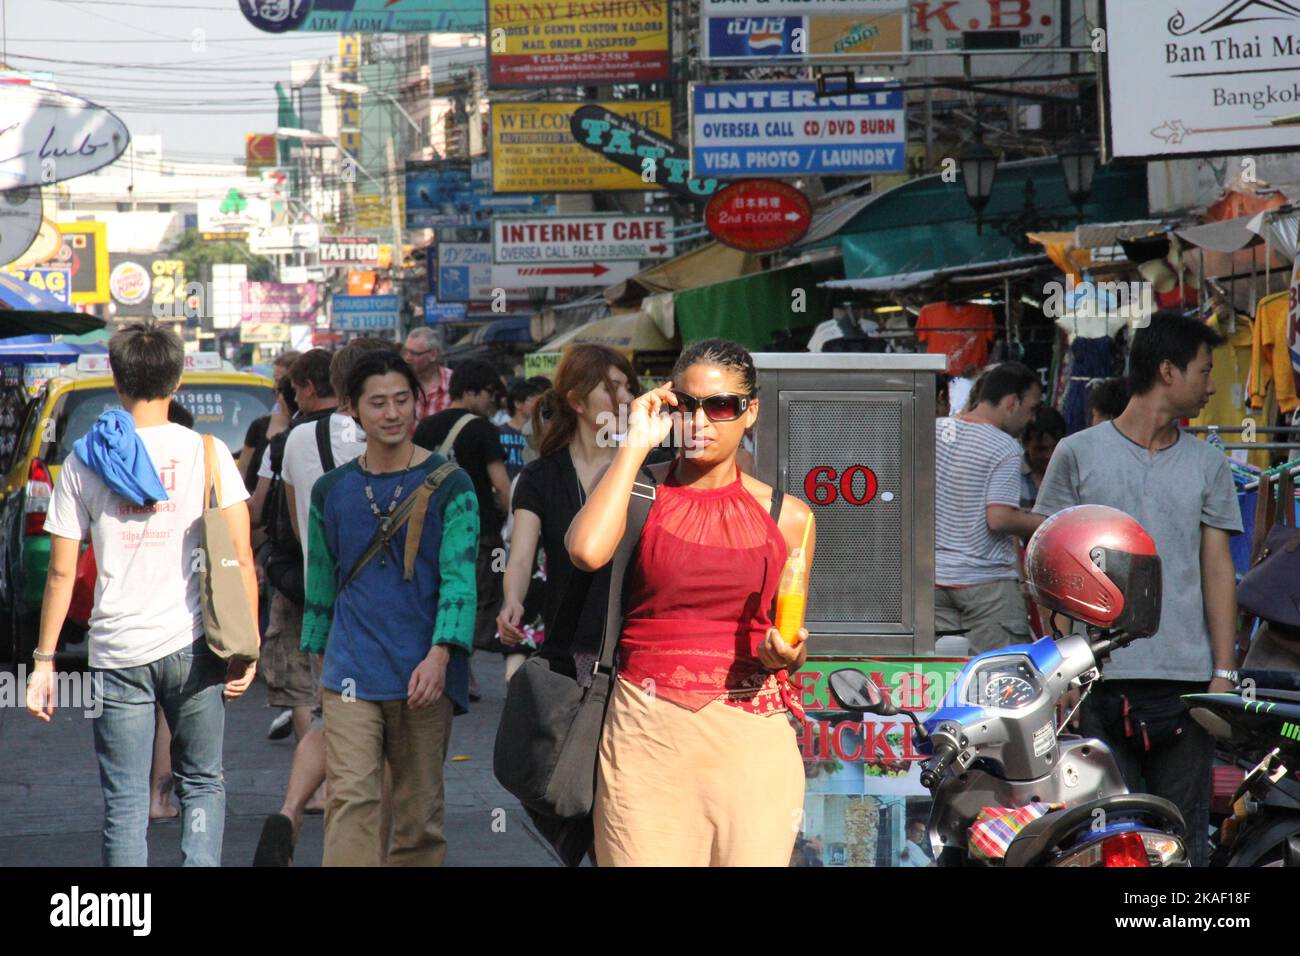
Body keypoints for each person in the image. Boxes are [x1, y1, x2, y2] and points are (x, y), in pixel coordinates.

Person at [567, 338, 815, 866]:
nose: (702, 420)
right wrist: (634, 445)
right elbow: (586, 552)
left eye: (721, 405)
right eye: (686, 404)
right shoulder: (636, 490)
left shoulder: (788, 516)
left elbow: (790, 631)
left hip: (752, 738)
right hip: (646, 731)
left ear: (750, 412)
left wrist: (788, 654)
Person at [28, 323, 257, 866]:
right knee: (201, 781)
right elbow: (240, 557)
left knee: (125, 801)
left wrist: (43, 663)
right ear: (178, 379)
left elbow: (60, 575)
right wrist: (246, 648)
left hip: (115, 652)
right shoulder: (208, 451)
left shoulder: (84, 459)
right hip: (196, 645)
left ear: (116, 378)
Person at [1033, 312, 1241, 867]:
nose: (1212, 385)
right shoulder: (1078, 453)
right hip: (1096, 681)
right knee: (1101, 840)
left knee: (1180, 839)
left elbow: (1218, 569)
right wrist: (1061, 671)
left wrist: (1223, 670)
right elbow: (1047, 565)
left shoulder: (1209, 463)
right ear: (1167, 371)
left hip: (1186, 685)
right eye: (1205, 370)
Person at [301, 350, 478, 866]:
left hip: (424, 672)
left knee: (419, 814)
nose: (392, 413)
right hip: (350, 672)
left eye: (402, 400)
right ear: (353, 409)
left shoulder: (452, 485)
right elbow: (321, 580)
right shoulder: (331, 490)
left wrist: (441, 656)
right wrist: (318, 655)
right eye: (377, 403)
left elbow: (459, 579)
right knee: (352, 798)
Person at [253, 337, 389, 867]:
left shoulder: (293, 442)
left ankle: (290, 808)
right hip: (379, 600)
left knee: (332, 711)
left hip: (322, 595)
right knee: (379, 726)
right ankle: (361, 832)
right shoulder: (379, 436)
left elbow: (293, 524)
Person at [497, 346, 638, 687]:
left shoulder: (643, 470)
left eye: (628, 387)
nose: (625, 397)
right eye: (611, 387)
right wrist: (512, 600)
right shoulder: (540, 475)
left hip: (634, 648)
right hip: (565, 644)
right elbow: (520, 559)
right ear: (576, 402)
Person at [256, 350, 340, 745]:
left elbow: (266, 510)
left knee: (303, 681)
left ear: (305, 388)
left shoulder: (289, 440)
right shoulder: (363, 431)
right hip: (355, 577)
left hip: (300, 577)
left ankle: (318, 786)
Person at [414, 359, 512, 694]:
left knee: (442, 591)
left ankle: (454, 666)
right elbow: (501, 484)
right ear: (469, 391)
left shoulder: (425, 427)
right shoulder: (482, 428)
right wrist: (511, 516)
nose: (492, 403)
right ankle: (461, 668)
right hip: (479, 528)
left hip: (432, 527)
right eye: (489, 394)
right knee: (476, 595)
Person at [934, 362, 1045, 655]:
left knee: (935, 678)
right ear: (1011, 403)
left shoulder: (933, 432)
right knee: (999, 681)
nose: (1031, 419)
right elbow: (999, 518)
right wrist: (1048, 522)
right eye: (1031, 408)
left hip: (931, 583)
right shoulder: (1004, 446)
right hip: (986, 586)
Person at [237, 350, 300, 492]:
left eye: (279, 380)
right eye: (274, 379)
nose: (274, 387)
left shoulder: (309, 428)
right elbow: (242, 471)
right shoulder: (259, 426)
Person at [498, 377, 547, 480]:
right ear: (518, 403)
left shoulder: (541, 434)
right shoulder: (498, 432)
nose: (538, 406)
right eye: (532, 400)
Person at [1019, 406, 1067, 509]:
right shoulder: (1011, 472)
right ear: (1026, 443)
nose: (1048, 455)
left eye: (1055, 447)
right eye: (1041, 449)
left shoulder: (1069, 474)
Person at [403, 327, 453, 421]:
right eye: (406, 351)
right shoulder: (401, 382)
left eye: (413, 353)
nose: (407, 358)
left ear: (433, 355)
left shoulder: (453, 382)